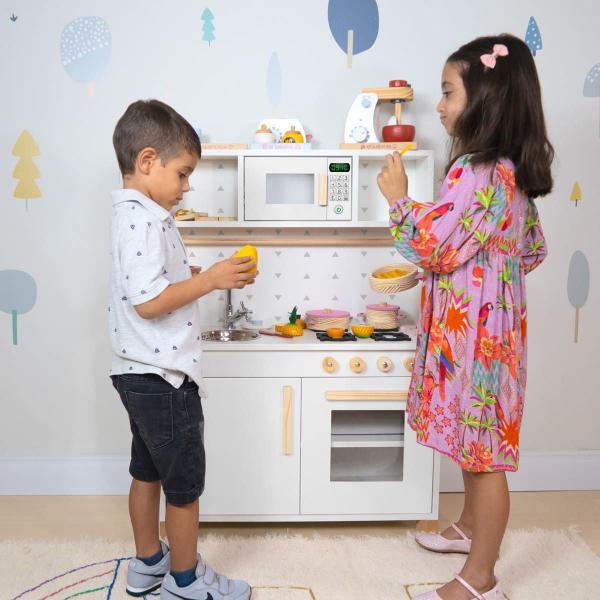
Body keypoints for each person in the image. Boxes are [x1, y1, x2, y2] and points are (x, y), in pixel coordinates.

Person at [377, 34, 553, 600]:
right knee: (475, 442)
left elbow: (434, 244)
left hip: (475, 339)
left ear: (485, 99)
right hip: (494, 332)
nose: (440, 105)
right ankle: (468, 528)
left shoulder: (476, 172)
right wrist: (473, 276)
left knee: (484, 456)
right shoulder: (509, 172)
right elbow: (528, 250)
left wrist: (399, 200)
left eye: (448, 92)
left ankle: (481, 579)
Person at [109, 99, 256, 600]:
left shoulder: (138, 216)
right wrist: (211, 280)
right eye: (183, 173)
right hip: (165, 376)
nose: (187, 185)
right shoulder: (144, 220)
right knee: (185, 486)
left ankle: (148, 563)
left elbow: (146, 287)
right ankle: (186, 581)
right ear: (147, 161)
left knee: (146, 471)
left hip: (137, 371)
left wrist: (185, 278)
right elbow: (149, 303)